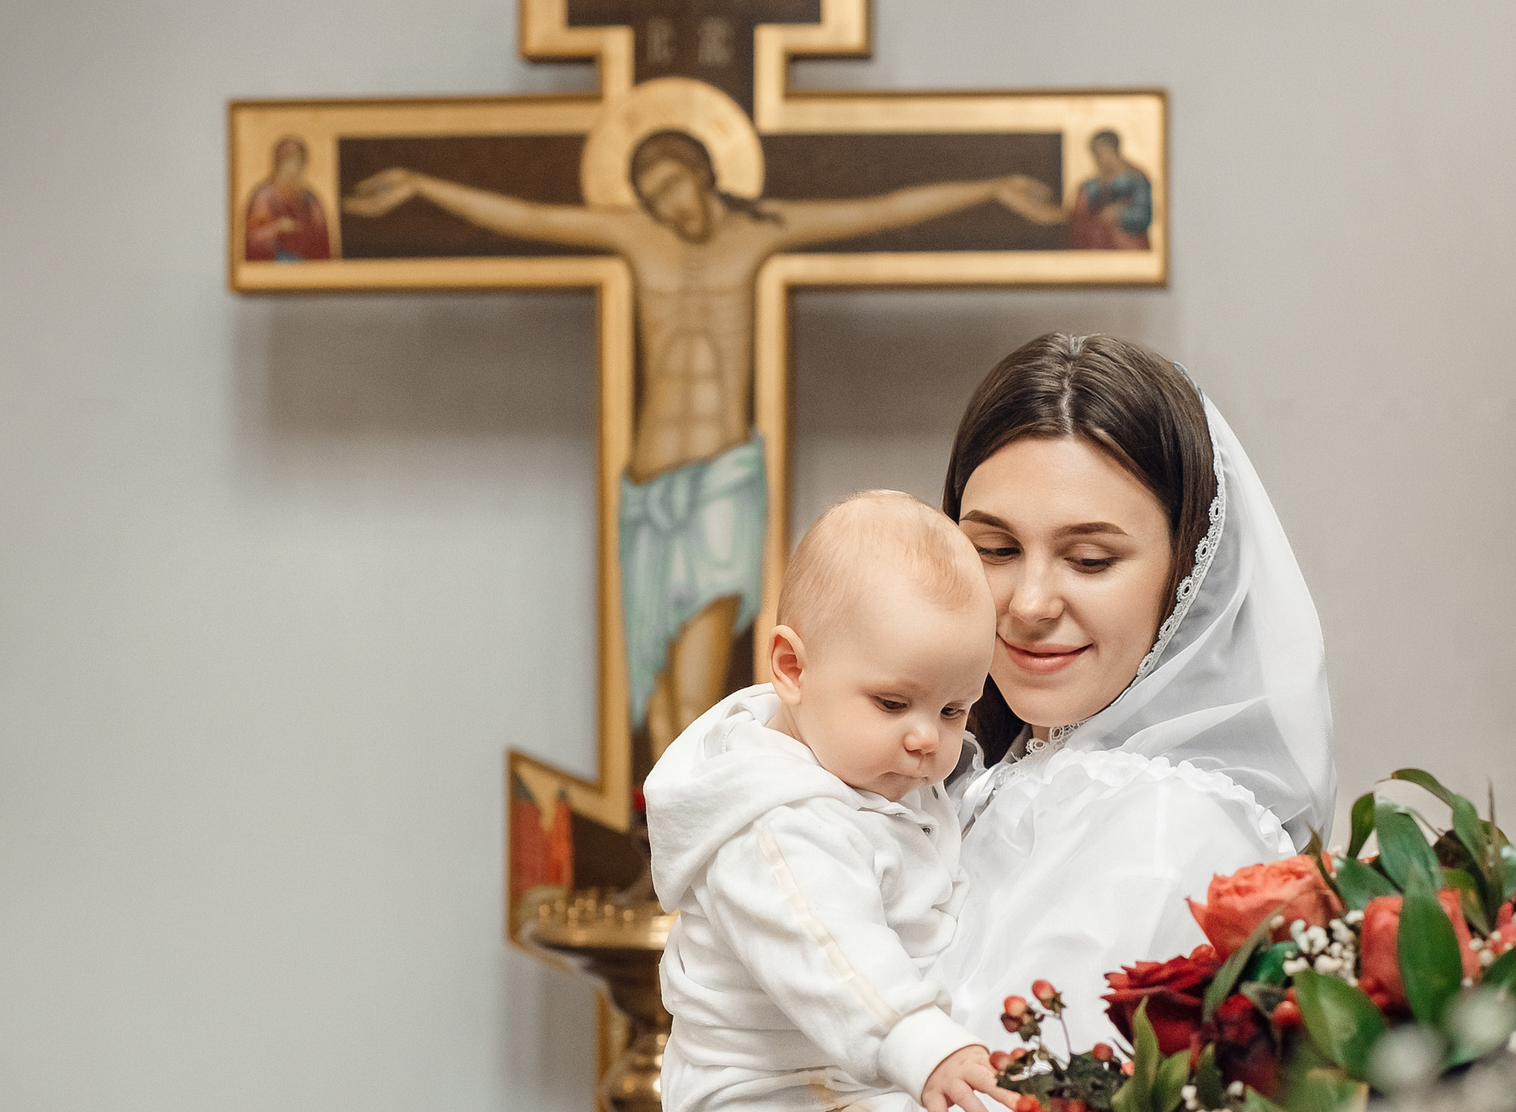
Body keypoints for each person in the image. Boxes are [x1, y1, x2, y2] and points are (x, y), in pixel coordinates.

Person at [652, 332, 1335, 1112]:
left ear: (1183, 572)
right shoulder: (971, 770)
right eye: (992, 546)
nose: (1028, 601)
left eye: (1091, 555)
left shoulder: (1158, 825)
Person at [345, 132, 1066, 771]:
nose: (666, 204)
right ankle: (673, 836)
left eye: (673, 185)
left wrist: (992, 187)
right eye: (649, 194)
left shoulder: (755, 234)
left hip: (723, 477)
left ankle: (710, 818)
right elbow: (530, 217)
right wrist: (420, 185)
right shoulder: (637, 238)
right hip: (650, 482)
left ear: (702, 174)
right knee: (652, 676)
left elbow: (878, 210)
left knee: (699, 664)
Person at [642, 492, 1017, 1112]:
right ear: (792, 667)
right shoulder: (784, 825)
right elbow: (835, 952)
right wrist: (922, 1040)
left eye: (953, 709)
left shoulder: (856, 771)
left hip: (798, 1089)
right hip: (763, 1100)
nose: (926, 743)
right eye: (896, 705)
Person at [241, 135, 332, 262]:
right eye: (288, 162)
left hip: (306, 269)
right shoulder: (264, 197)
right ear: (278, 165)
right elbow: (252, 239)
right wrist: (277, 228)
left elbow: (321, 239)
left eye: (298, 163)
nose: (293, 169)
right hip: (272, 269)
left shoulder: (310, 199)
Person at [1066, 130, 1152, 251]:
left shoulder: (1136, 180)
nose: (1097, 160)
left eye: (1100, 154)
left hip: (1130, 248)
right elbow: (1079, 219)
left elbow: (1143, 216)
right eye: (1095, 155)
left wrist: (1119, 214)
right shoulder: (1091, 185)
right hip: (1100, 250)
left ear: (1111, 150)